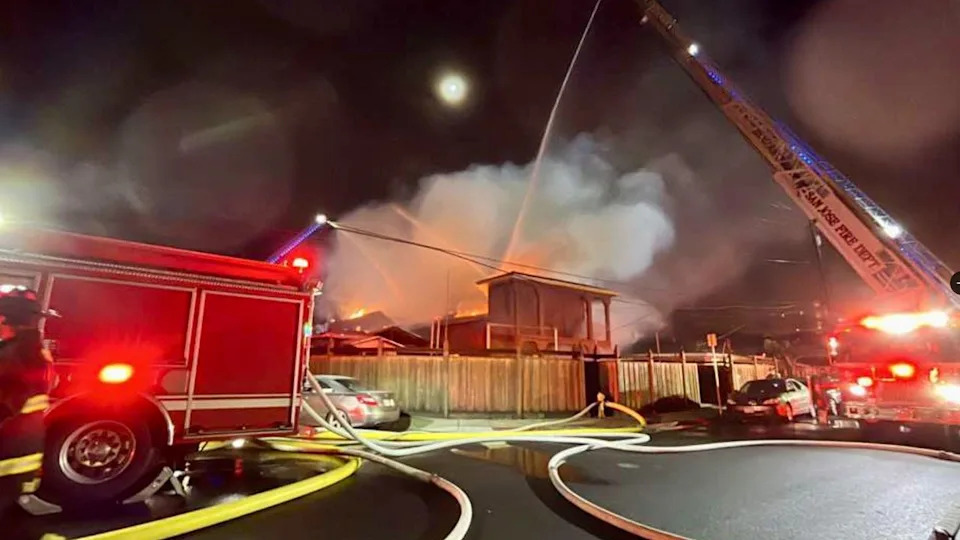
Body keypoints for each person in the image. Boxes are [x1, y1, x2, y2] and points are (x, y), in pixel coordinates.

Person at [0, 287, 56, 515]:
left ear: (6, 318)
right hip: (17, 450)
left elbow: (7, 402)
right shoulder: (27, 349)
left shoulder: (20, 353)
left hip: (10, 452)